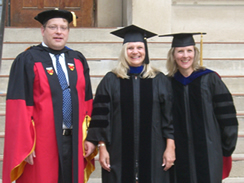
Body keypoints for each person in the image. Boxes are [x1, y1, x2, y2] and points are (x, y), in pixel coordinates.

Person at [2, 9, 97, 183]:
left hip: (74, 139)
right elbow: (19, 106)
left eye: (63, 27)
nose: (59, 32)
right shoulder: (27, 59)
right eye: (53, 27)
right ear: (43, 30)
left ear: (68, 31)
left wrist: (91, 137)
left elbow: (87, 102)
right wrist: (25, 145)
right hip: (42, 142)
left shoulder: (77, 59)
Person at [84, 25, 175, 183]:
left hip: (155, 151)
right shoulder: (111, 80)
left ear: (145, 51)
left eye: (140, 47)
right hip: (118, 151)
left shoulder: (159, 80)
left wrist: (170, 147)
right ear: (124, 51)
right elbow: (101, 118)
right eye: (130, 48)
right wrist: (102, 147)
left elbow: (170, 117)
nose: (135, 52)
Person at [159, 32, 238, 183]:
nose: (185, 56)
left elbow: (227, 116)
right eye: (180, 51)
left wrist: (226, 146)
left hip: (209, 150)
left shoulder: (210, 79)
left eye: (189, 50)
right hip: (178, 152)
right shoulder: (167, 83)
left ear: (195, 53)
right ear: (173, 55)